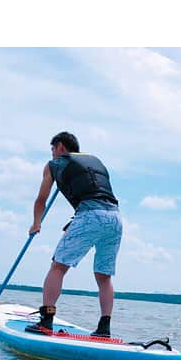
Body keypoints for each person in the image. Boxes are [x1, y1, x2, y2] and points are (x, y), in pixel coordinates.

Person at [25, 132, 123, 337]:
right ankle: (104, 328)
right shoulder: (95, 161)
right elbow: (96, 194)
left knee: (58, 267)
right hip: (115, 218)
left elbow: (41, 200)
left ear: (60, 147)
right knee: (104, 277)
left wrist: (36, 223)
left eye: (52, 149)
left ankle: (45, 321)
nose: (52, 154)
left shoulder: (55, 164)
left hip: (89, 216)